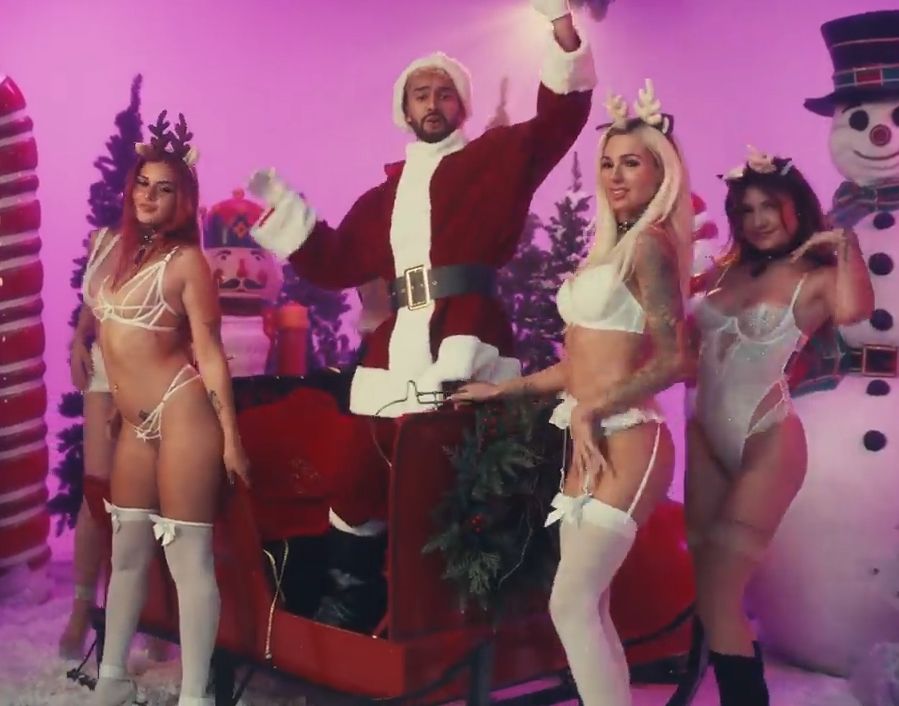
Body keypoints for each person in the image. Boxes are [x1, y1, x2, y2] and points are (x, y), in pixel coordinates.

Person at [246, 0, 595, 633]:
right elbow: (335, 261)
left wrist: (561, 30)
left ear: (462, 106)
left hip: (467, 334)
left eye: (444, 93)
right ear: (404, 110)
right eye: (420, 94)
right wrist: (285, 216)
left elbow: (561, 117)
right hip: (397, 348)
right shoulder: (385, 196)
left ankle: (453, 617)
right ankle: (352, 602)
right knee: (360, 471)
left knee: (453, 478)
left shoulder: (496, 158)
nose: (433, 104)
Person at [453, 80, 694, 706]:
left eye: (631, 163)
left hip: (630, 437)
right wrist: (502, 391)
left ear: (660, 172)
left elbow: (678, 358)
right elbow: (577, 367)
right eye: (608, 164)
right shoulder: (611, 251)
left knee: (572, 603)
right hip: (589, 439)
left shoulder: (651, 245)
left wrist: (595, 409)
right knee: (590, 609)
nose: (615, 176)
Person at [667, 148, 874, 706]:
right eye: (746, 209)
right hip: (704, 436)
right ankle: (710, 684)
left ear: (796, 208)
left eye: (769, 206)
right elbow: (678, 334)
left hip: (767, 440)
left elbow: (854, 312)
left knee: (719, 591)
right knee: (708, 586)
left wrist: (847, 247)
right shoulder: (724, 271)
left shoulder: (819, 278)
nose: (757, 219)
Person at [84, 110, 250, 706]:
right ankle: (112, 679)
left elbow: (210, 354)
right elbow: (113, 338)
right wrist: (116, 398)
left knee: (188, 559)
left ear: (184, 199)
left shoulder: (186, 264)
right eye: (142, 184)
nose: (149, 196)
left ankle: (195, 696)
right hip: (135, 422)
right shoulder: (114, 249)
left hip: (183, 416)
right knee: (126, 552)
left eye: (164, 188)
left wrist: (230, 438)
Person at [58, 257, 117, 660]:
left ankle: (151, 615)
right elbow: (91, 306)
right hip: (104, 370)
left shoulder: (172, 236)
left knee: (148, 500)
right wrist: (79, 339)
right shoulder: (104, 241)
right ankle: (82, 607)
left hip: (151, 372)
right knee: (96, 493)